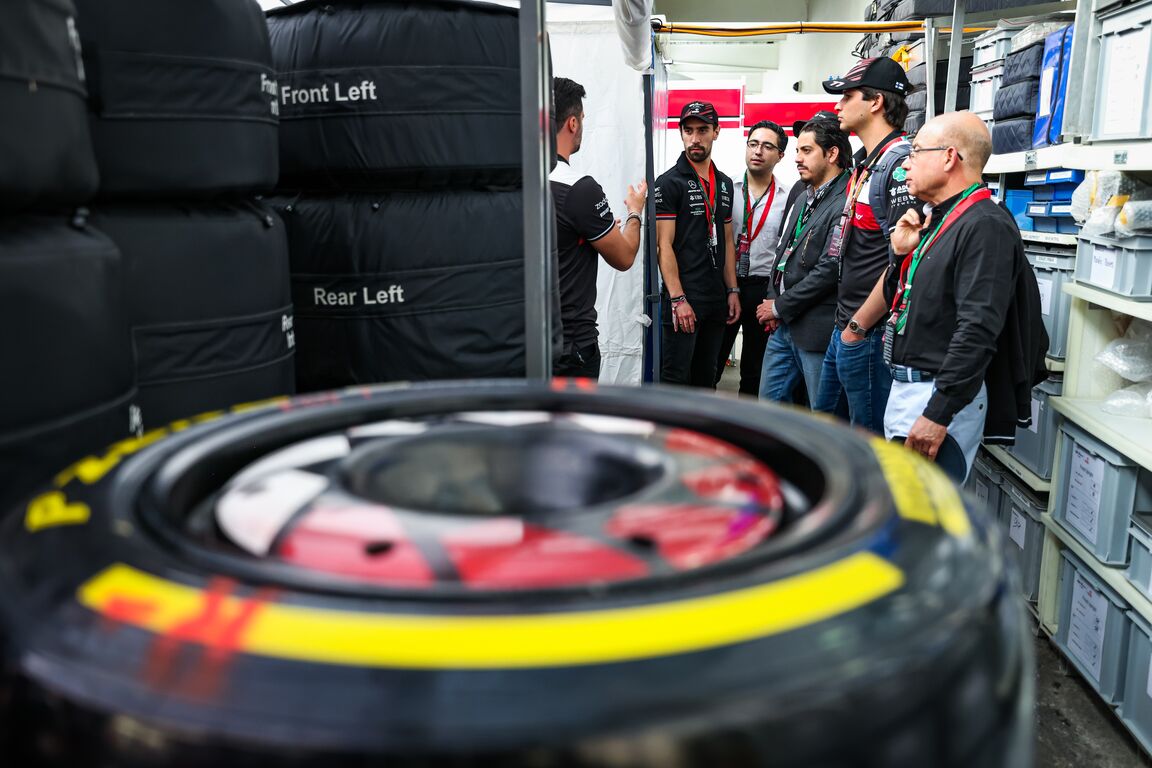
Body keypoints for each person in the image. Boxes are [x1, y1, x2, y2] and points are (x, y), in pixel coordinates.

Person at [882, 111, 1047, 482]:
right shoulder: (944, 218)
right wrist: (901, 254)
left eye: (917, 151)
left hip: (934, 395)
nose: (907, 163)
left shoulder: (984, 225)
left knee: (922, 524)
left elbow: (978, 329)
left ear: (948, 156)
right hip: (912, 389)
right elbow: (911, 301)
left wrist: (937, 413)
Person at [812, 57, 920, 434]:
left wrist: (858, 327)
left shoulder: (900, 164)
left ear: (875, 102)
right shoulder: (864, 163)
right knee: (826, 439)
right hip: (845, 325)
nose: (838, 105)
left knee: (868, 447)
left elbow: (904, 262)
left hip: (866, 332)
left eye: (847, 95)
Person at [549, 77, 647, 378]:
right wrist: (634, 212)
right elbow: (625, 256)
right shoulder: (578, 189)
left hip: (517, 343)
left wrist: (591, 230)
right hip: (569, 347)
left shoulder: (504, 181)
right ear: (573, 123)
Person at [757, 117, 852, 405]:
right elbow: (782, 251)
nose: (797, 158)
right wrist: (774, 300)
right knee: (768, 410)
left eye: (806, 151)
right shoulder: (804, 194)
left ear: (832, 154)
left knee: (821, 414)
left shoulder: (847, 199)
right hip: (783, 326)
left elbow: (829, 268)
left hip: (815, 330)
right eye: (798, 151)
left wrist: (779, 306)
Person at [655, 101, 739, 388]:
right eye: (688, 130)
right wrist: (678, 299)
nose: (695, 138)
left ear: (716, 132)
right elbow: (662, 246)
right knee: (676, 380)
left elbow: (727, 239)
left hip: (715, 299)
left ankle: (698, 434)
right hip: (684, 300)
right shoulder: (668, 183)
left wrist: (733, 290)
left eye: (702, 130)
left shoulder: (725, 183)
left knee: (706, 379)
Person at [714, 120, 790, 396]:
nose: (758, 151)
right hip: (726, 285)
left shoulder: (788, 196)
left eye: (767, 146)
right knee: (712, 361)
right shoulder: (726, 189)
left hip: (762, 288)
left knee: (755, 370)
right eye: (753, 144)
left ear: (780, 155)